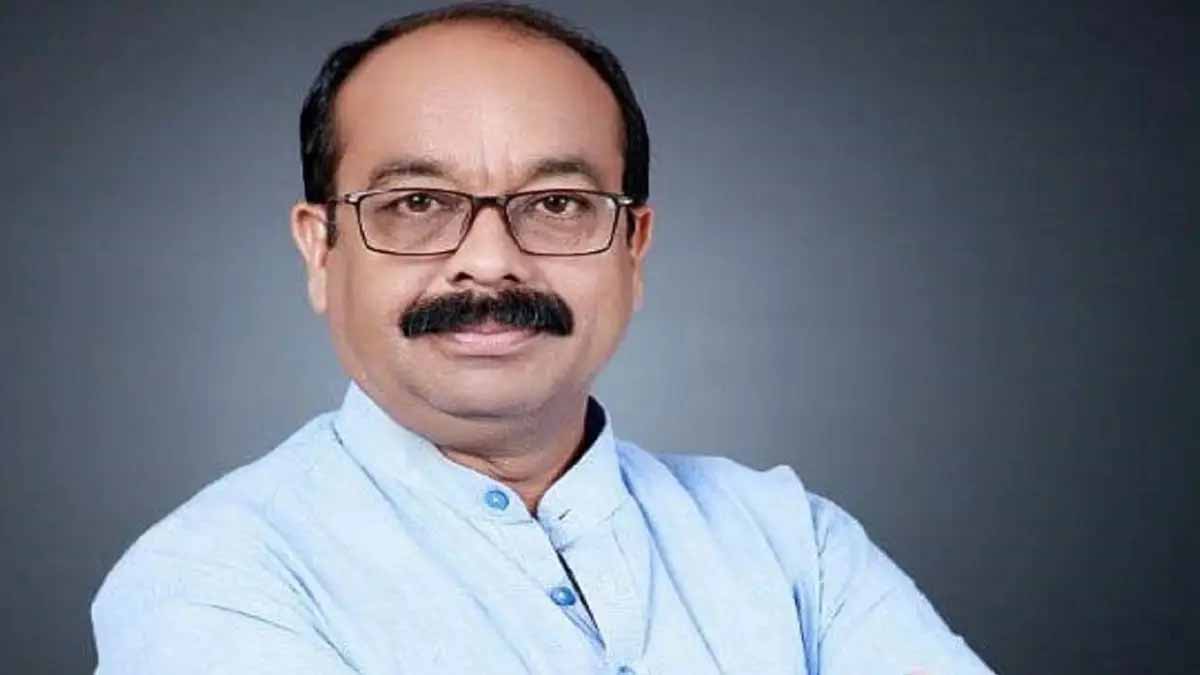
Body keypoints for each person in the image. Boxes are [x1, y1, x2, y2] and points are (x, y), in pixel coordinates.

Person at [91, 3, 995, 674]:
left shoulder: (792, 541)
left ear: (633, 249)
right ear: (321, 250)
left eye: (558, 203)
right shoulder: (212, 577)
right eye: (417, 202)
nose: (489, 261)